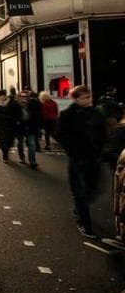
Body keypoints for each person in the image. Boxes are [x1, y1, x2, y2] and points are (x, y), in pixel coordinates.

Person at [56, 85, 106, 239]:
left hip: (94, 157)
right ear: (76, 99)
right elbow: (60, 134)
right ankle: (84, 222)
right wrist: (72, 150)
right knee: (80, 191)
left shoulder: (96, 113)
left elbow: (102, 132)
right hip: (78, 158)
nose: (89, 99)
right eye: (85, 97)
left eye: (89, 96)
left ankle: (80, 208)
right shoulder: (67, 115)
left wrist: (100, 149)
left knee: (94, 188)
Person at [0, 89, 21, 164]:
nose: (2, 97)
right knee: (2, 141)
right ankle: (5, 155)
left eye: (3, 95)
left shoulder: (12, 102)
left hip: (9, 125)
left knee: (8, 140)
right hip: (1, 126)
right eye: (0, 96)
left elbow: (17, 112)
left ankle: (6, 153)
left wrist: (16, 120)